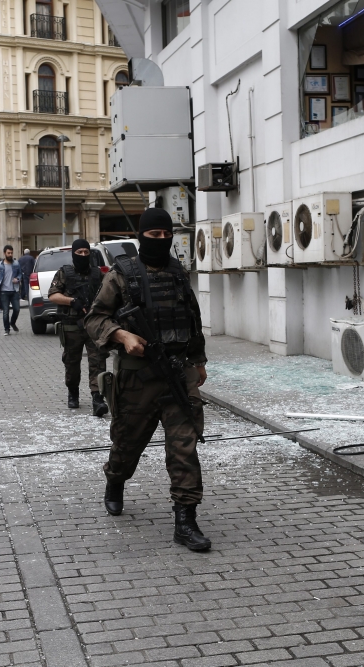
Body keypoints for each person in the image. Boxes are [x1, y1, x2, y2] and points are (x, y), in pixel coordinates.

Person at [85, 208, 211, 552]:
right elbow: (95, 320)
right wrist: (122, 335)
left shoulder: (177, 272)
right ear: (141, 236)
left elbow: (192, 318)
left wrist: (198, 362)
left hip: (178, 372)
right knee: (127, 446)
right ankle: (115, 480)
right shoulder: (121, 275)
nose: (160, 241)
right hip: (137, 379)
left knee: (184, 447)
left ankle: (185, 519)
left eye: (165, 235)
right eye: (153, 236)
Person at [48, 239, 109, 415]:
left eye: (86, 252)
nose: (83, 255)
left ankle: (97, 397)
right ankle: (73, 391)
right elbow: (53, 295)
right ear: (73, 254)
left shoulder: (98, 274)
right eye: (79, 252)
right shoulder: (64, 273)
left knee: (98, 362)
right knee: (72, 363)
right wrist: (71, 301)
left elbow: (109, 292)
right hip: (71, 327)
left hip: (93, 326)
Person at [0, 245, 23, 336]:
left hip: (14, 290)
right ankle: (7, 329)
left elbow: (20, 274)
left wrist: (17, 279)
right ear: (4, 253)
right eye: (8, 253)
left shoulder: (16, 263)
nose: (10, 254)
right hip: (3, 292)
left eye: (11, 253)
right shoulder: (0, 265)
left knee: (17, 309)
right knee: (5, 311)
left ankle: (12, 322)